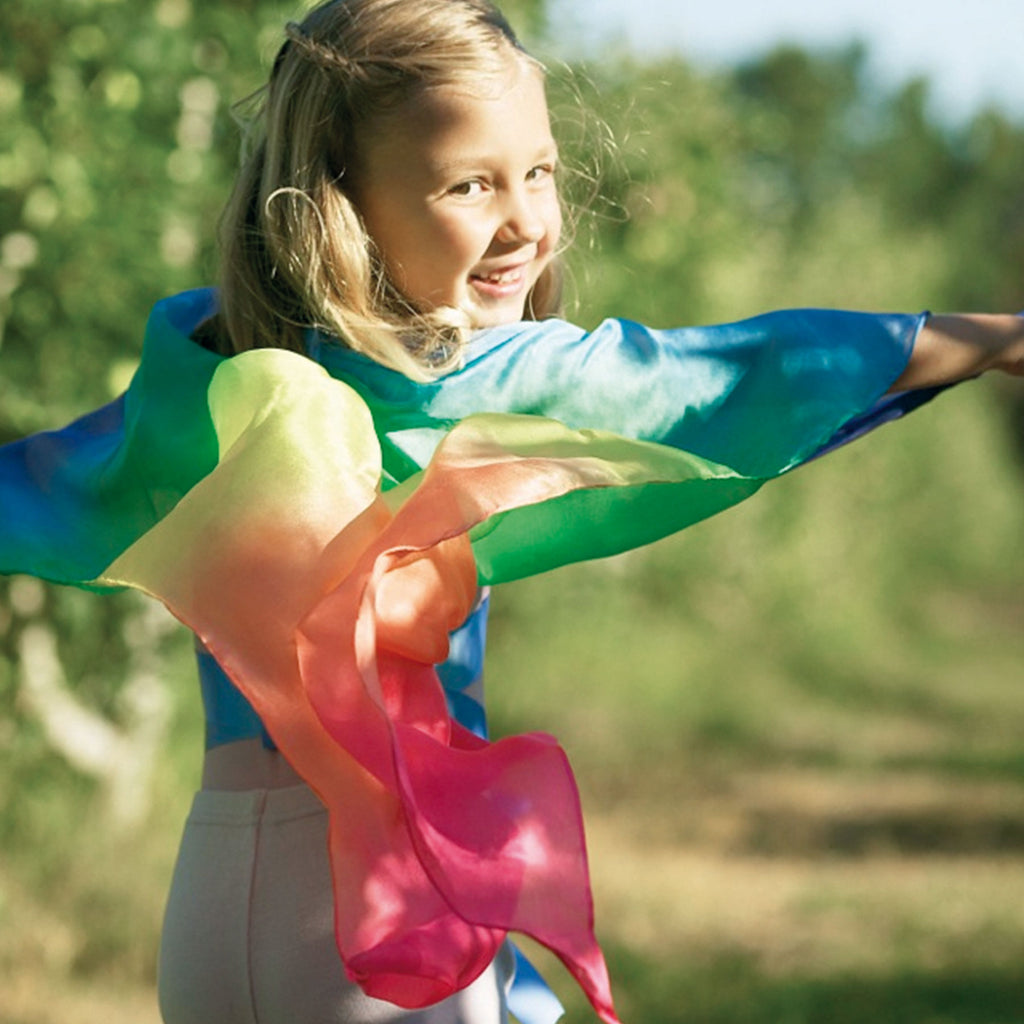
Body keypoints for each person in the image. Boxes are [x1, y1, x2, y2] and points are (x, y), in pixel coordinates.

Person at [1, 1, 1022, 1023]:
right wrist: (995, 339)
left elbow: (38, 486)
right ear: (337, 200)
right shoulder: (486, 382)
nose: (527, 220)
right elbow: (741, 377)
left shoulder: (200, 381)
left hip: (216, 899)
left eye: (536, 172)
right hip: (383, 906)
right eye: (471, 184)